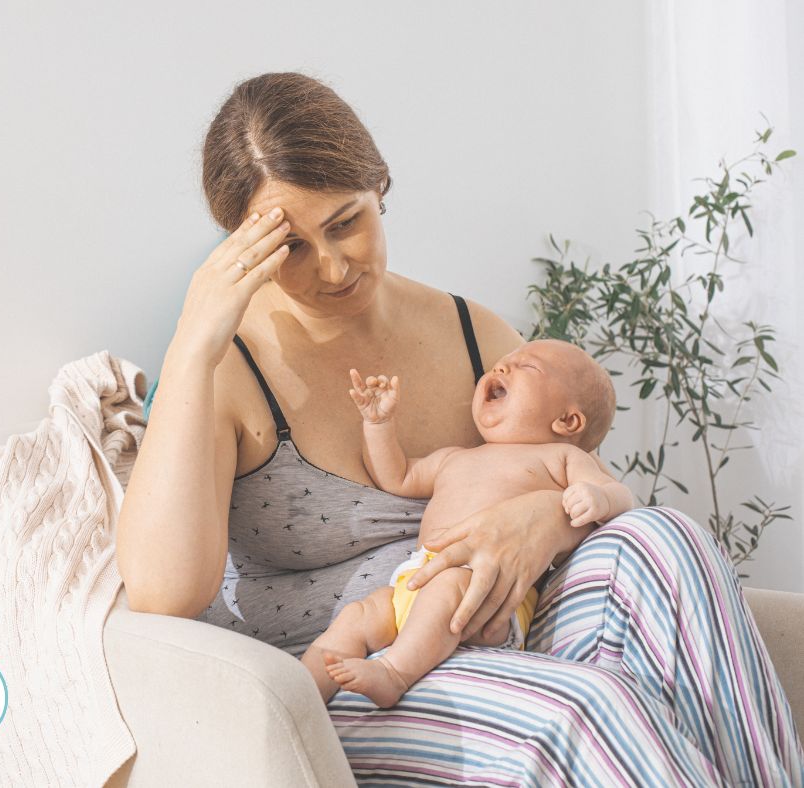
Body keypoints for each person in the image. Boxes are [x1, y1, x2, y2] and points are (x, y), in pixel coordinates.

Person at [116, 72, 804, 784]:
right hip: (358, 675)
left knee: (668, 537)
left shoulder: (477, 336)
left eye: (346, 221)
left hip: (498, 629)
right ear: (241, 247)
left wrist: (543, 518)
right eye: (290, 246)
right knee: (585, 710)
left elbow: (581, 488)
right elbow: (164, 595)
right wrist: (195, 341)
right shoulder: (227, 365)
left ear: (378, 185)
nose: (333, 265)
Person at [303, 339, 636, 709]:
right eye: (500, 363)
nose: (501, 368)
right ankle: (300, 695)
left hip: (486, 593)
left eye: (527, 366)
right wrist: (378, 424)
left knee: (447, 587)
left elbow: (621, 496)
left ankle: (395, 674)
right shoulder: (455, 458)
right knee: (357, 615)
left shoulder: (562, 457)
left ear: (567, 420)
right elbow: (397, 476)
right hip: (415, 580)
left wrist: (599, 498)